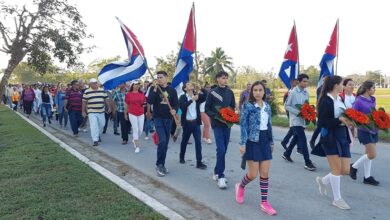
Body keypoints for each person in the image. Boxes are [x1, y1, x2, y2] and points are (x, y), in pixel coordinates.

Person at [236, 81, 277, 215]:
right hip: (252, 141)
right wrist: (242, 143)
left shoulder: (267, 107)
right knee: (253, 174)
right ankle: (240, 186)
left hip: (265, 140)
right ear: (251, 92)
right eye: (255, 90)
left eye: (260, 90)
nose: (258, 93)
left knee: (264, 173)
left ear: (264, 92)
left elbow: (269, 125)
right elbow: (243, 126)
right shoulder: (248, 106)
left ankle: (264, 203)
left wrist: (271, 142)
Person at [313, 75, 354, 210]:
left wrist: (350, 121)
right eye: (342, 84)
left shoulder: (340, 99)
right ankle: (337, 199)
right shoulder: (325, 100)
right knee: (336, 170)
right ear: (336, 85)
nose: (343, 86)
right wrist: (340, 120)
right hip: (330, 137)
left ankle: (323, 181)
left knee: (345, 170)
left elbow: (344, 116)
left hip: (342, 136)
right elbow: (322, 123)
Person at [205, 71, 236, 189]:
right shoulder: (212, 92)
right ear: (217, 79)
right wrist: (216, 115)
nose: (225, 80)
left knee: (224, 150)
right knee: (221, 149)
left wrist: (229, 113)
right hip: (217, 124)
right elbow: (207, 108)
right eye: (223, 78)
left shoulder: (230, 92)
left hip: (227, 124)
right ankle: (221, 176)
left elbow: (232, 106)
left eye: (226, 78)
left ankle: (216, 171)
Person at [281, 73, 316, 171]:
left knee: (296, 138)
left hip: (303, 120)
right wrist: (298, 112)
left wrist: (309, 114)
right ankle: (307, 162)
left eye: (307, 81)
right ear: (299, 81)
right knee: (303, 140)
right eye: (304, 81)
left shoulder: (306, 92)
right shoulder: (292, 92)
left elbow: (306, 106)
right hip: (295, 120)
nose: (306, 83)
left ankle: (286, 153)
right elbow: (286, 106)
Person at [147, 71, 179, 177]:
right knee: (162, 141)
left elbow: (176, 103)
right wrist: (155, 88)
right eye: (158, 77)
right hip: (158, 118)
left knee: (165, 144)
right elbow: (150, 101)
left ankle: (162, 165)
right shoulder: (154, 89)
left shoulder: (172, 90)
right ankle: (159, 164)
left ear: (166, 78)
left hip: (168, 119)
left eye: (161, 77)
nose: (159, 79)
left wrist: (174, 110)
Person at [350, 80, 380, 186]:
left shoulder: (372, 99)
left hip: (373, 129)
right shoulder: (358, 101)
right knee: (372, 154)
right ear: (367, 89)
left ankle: (367, 177)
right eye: (373, 88)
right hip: (364, 130)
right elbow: (353, 115)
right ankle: (353, 167)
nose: (374, 90)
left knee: (368, 154)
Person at [178, 81, 207, 169]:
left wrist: (200, 89)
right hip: (187, 123)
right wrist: (191, 100)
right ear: (185, 89)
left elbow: (205, 97)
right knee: (184, 141)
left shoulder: (197, 96)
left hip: (196, 123)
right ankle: (181, 157)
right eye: (188, 84)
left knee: (198, 143)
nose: (191, 85)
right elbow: (183, 106)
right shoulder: (182, 97)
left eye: (191, 84)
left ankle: (199, 162)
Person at [82, 78, 111, 146]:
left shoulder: (102, 90)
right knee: (93, 125)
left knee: (102, 124)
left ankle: (97, 135)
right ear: (90, 84)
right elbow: (84, 101)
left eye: (96, 83)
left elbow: (106, 99)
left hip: (101, 111)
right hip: (91, 111)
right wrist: (83, 111)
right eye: (93, 83)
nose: (95, 84)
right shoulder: (87, 91)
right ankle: (95, 140)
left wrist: (109, 107)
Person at [125, 80, 146, 153]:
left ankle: (134, 139)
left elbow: (144, 103)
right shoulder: (128, 94)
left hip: (141, 113)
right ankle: (137, 146)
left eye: (138, 84)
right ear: (132, 85)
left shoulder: (142, 93)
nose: (137, 86)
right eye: (135, 84)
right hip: (132, 113)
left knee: (140, 130)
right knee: (135, 129)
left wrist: (145, 105)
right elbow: (127, 104)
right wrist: (125, 113)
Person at [281, 79, 298, 150]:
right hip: (291, 113)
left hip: (296, 113)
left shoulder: (296, 92)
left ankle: (285, 141)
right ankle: (299, 147)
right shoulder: (288, 93)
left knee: (292, 129)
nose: (297, 85)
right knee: (296, 130)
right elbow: (286, 104)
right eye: (296, 83)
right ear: (292, 84)